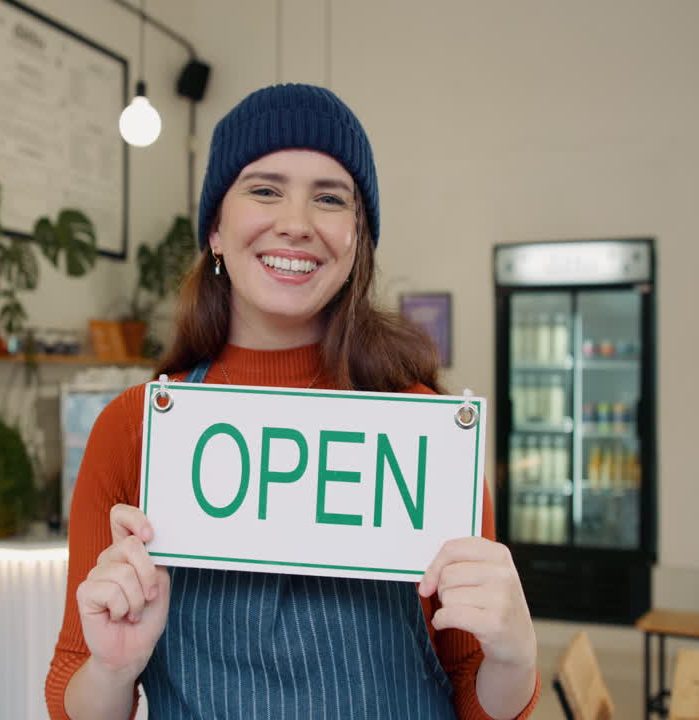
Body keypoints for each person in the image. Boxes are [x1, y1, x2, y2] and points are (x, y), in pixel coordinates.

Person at [46, 83, 540, 720]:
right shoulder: (133, 430)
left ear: (357, 239)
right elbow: (69, 685)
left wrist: (515, 657)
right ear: (216, 231)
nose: (297, 224)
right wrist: (113, 668)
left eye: (330, 199)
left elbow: (473, 690)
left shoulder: (428, 438)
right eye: (264, 188)